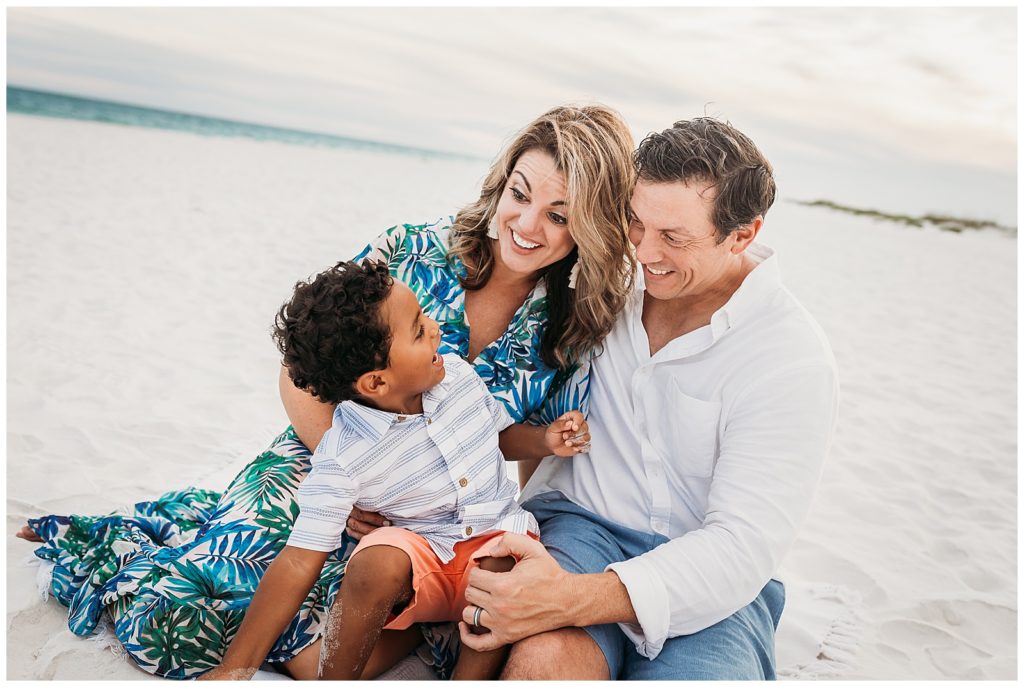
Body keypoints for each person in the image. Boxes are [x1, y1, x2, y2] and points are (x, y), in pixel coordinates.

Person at [17, 104, 636, 679]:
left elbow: (515, 449)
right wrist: (356, 483)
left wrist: (497, 526)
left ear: (590, 225)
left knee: (353, 646)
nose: (527, 225)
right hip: (327, 464)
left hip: (436, 520)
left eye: (559, 215)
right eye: (519, 195)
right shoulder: (413, 249)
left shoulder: (570, 328)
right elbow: (302, 369)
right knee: (177, 621)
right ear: (501, 183)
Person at [453, 117, 839, 680]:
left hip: (709, 571)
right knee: (544, 663)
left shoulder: (790, 357)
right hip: (579, 527)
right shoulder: (603, 288)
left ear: (742, 235)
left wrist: (566, 599)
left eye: (674, 238)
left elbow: (739, 547)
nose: (644, 252)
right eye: (636, 223)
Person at [201, 261, 588, 680]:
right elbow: (298, 561)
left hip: (496, 544)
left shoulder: (457, 376)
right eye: (419, 330)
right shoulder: (345, 454)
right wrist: (237, 667)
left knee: (502, 564)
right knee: (375, 561)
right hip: (426, 561)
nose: (436, 326)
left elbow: (495, 435)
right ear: (376, 384)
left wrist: (543, 441)